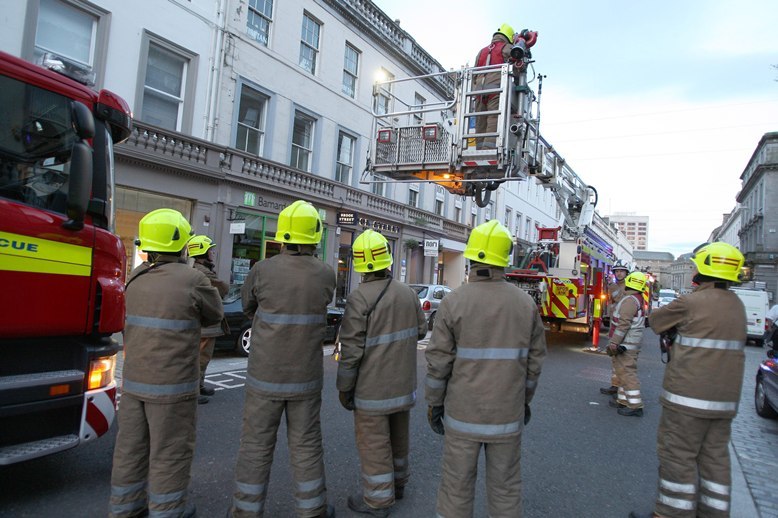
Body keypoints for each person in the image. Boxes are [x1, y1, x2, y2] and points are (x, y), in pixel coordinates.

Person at [425, 220, 547, 518]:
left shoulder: (454, 302)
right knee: (505, 488)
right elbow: (534, 364)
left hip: (462, 416)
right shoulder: (525, 304)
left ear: (471, 258)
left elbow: (439, 362)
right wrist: (524, 402)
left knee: (456, 487)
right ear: (504, 260)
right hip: (507, 415)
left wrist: (434, 405)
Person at [109, 208, 224, 518]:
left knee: (130, 449)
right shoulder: (193, 279)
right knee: (170, 451)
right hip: (173, 385)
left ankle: (125, 509)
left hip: (133, 382)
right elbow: (215, 314)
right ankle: (167, 511)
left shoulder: (135, 276)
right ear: (180, 245)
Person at [231, 200, 336, 518]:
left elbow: (248, 307)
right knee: (306, 443)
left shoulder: (262, 269)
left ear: (284, 235)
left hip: (264, 375)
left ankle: (246, 511)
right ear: (314, 236)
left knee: (255, 445)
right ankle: (312, 509)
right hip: (305, 376)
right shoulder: (326, 274)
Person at [630, 242, 746, 518]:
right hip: (724, 403)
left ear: (702, 269)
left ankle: (670, 513)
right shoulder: (738, 306)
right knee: (715, 461)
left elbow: (656, 320)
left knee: (678, 457)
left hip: (687, 400)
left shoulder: (691, 302)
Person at [336, 230, 428, 517]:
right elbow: (422, 330)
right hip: (403, 386)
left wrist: (344, 388)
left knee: (374, 444)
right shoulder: (408, 294)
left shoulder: (359, 298)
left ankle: (377, 501)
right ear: (387, 260)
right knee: (399, 437)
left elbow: (351, 351)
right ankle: (398, 485)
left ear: (361, 266)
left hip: (372, 390)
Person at [187, 235, 230, 404]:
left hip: (205, 325)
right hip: (206, 326)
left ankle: (200, 385)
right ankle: (193, 390)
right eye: (210, 250)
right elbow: (223, 289)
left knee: (203, 358)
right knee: (200, 359)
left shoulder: (199, 269)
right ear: (202, 252)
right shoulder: (203, 272)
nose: (212, 252)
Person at [606, 271, 648, 417]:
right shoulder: (636, 298)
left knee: (627, 373)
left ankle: (635, 405)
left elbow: (623, 324)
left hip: (626, 344)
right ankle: (623, 401)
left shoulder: (630, 300)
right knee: (622, 372)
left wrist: (614, 342)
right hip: (629, 343)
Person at [472, 23, 516, 150]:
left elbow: (475, 72)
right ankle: (489, 149)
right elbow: (518, 68)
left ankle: (479, 149)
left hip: (479, 91)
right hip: (495, 89)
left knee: (481, 120)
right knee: (493, 118)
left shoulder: (482, 51)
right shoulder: (507, 48)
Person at [600, 262, 629, 394]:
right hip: (614, 323)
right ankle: (615, 385)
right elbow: (614, 299)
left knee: (623, 359)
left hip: (623, 325)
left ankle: (622, 388)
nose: (619, 273)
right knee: (615, 358)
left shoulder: (628, 286)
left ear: (626, 273)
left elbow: (619, 298)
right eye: (617, 271)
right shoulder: (615, 286)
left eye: (622, 271)